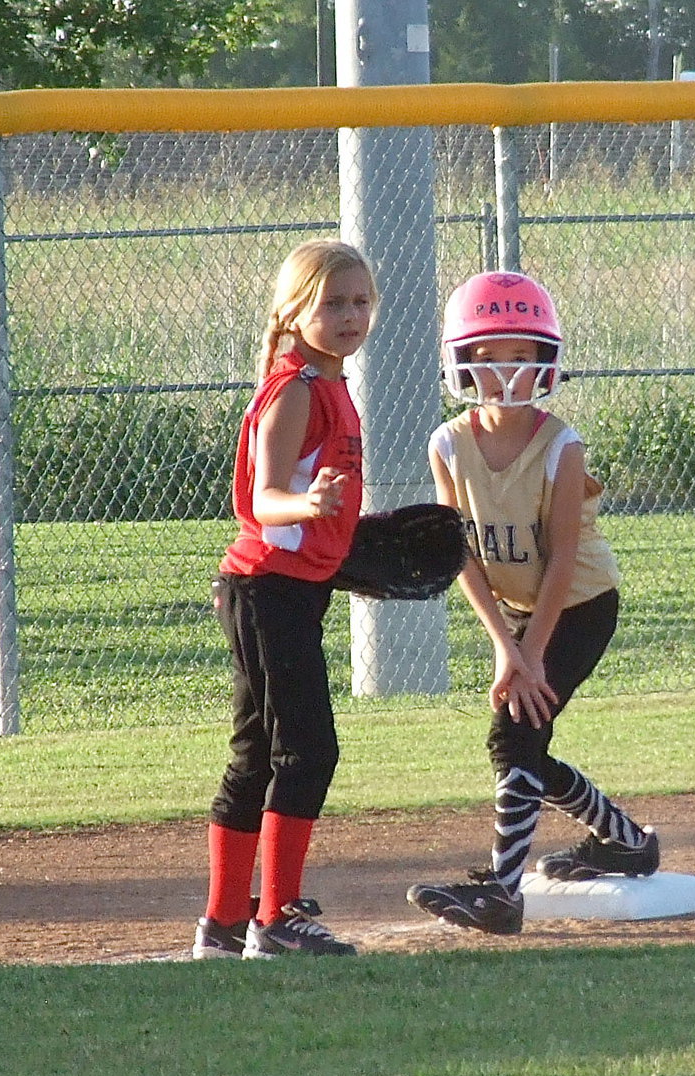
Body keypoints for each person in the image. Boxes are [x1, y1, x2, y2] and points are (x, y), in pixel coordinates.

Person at [407, 271, 659, 936]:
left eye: (521, 354)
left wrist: (534, 652)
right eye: (489, 357)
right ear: (462, 362)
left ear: (544, 360)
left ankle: (503, 892)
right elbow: (458, 552)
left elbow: (564, 560)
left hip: (578, 604)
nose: (506, 373)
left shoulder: (560, 446)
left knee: (513, 736)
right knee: (525, 745)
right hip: (519, 615)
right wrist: (504, 645)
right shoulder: (448, 444)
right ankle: (627, 842)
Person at [193, 239, 377, 960]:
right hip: (266, 588)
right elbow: (265, 500)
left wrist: (347, 543)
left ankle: (224, 923)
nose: (349, 315)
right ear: (295, 311)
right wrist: (310, 505)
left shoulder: (329, 382)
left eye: (360, 301)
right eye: (332, 302)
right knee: (307, 750)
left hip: (285, 590)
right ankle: (275, 918)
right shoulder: (296, 386)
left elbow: (316, 517)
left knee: (258, 755)